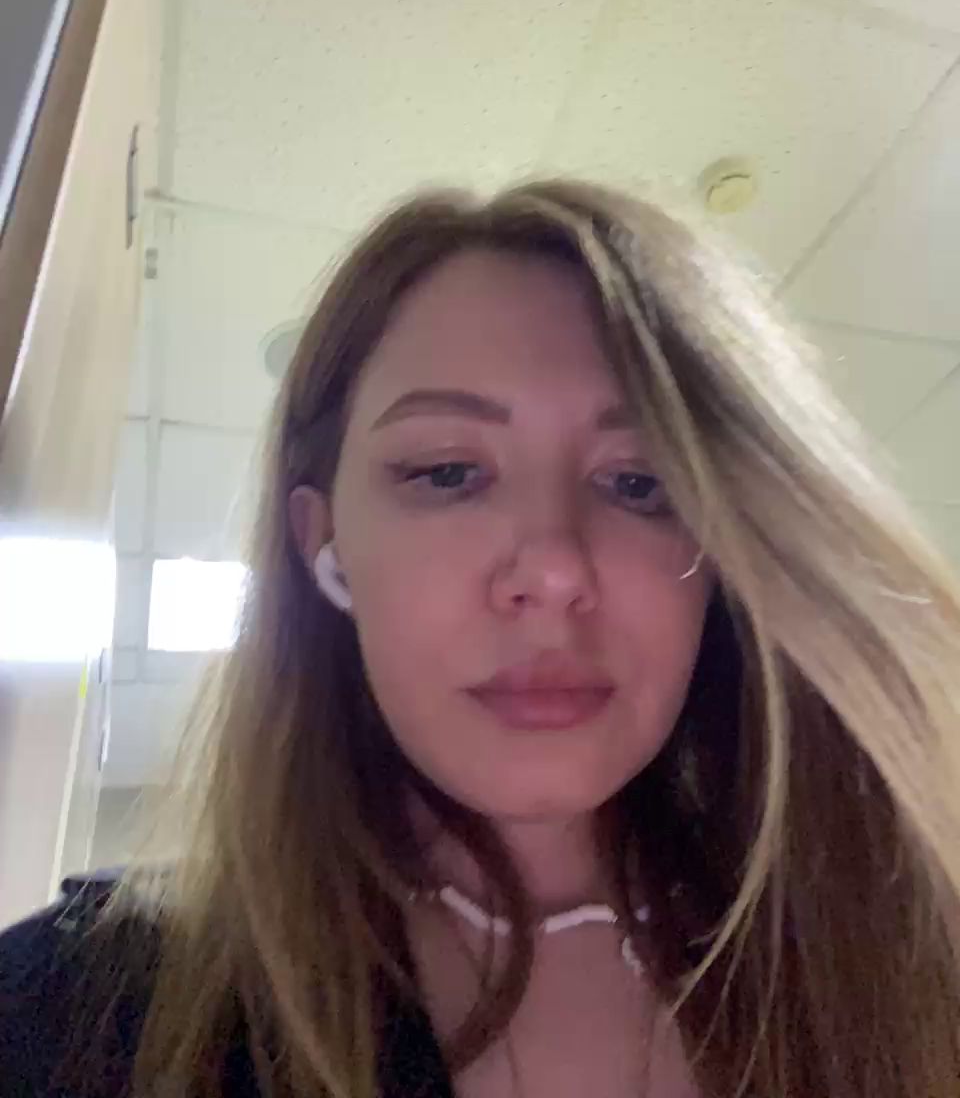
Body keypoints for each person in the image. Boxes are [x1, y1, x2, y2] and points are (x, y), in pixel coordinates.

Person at [1, 178, 959, 1098]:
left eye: (641, 483)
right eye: (448, 472)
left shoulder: (903, 966)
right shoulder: (70, 1013)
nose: (553, 568)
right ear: (325, 545)